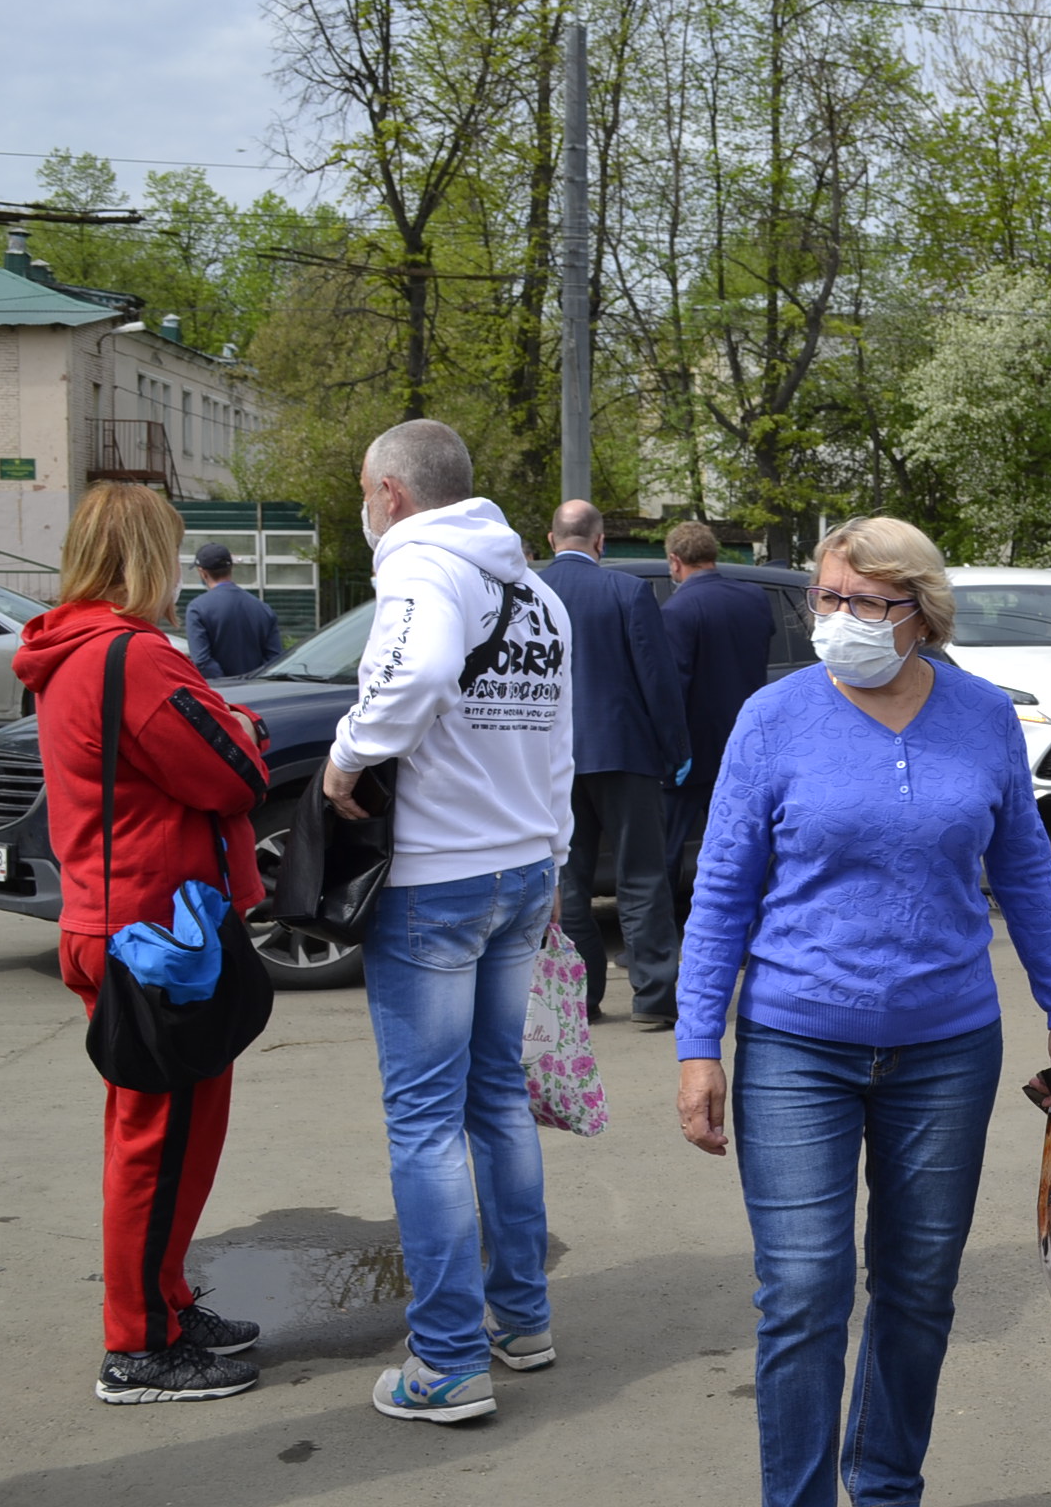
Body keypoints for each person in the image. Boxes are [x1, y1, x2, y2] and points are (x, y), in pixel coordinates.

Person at [673, 515, 1051, 1507]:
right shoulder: (772, 718)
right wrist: (698, 1045)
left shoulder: (983, 716)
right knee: (805, 1293)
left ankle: (888, 1485)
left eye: (865, 602)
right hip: (794, 1046)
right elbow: (723, 889)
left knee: (915, 1290)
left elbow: (1024, 867)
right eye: (828, 599)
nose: (840, 618)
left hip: (947, 1051)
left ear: (920, 612)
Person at [325, 418, 575, 1423]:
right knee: (497, 1106)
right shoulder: (534, 586)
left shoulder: (424, 568)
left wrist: (348, 753)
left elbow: (420, 673)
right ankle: (520, 1320)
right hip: (520, 867)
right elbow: (561, 733)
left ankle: (445, 1363)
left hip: (436, 879)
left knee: (426, 1124)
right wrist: (554, 856)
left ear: (388, 492)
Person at [15, 483, 273, 1404]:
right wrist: (242, 728)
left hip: (130, 920)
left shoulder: (72, 650)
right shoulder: (133, 658)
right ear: (149, 557)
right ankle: (137, 1348)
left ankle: (162, 1307)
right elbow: (236, 770)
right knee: (158, 1142)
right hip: (158, 935)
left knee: (168, 1136)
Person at [541, 500, 691, 1027]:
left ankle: (581, 998)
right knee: (643, 876)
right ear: (600, 541)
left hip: (550, 761)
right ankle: (652, 999)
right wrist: (676, 750)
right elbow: (658, 679)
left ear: (552, 538)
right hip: (625, 752)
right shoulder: (627, 591)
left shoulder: (527, 594)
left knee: (571, 881)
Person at [659, 518, 775, 889]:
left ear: (675, 562)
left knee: (665, 850)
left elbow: (673, 688)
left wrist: (670, 750)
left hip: (694, 755)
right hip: (748, 747)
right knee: (743, 849)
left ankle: (663, 936)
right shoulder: (755, 599)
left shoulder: (678, 610)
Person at [183, 541, 282, 679]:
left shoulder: (197, 608)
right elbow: (275, 658)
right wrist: (253, 681)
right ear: (231, 568)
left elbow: (202, 660)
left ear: (202, 572)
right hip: (258, 691)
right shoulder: (262, 607)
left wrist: (228, 684)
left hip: (222, 694)